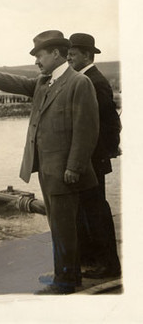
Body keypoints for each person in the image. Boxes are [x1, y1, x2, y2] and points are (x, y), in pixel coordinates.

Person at [0, 30, 100, 294]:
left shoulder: (79, 83)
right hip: (46, 168)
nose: (36, 61)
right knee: (57, 226)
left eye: (40, 55)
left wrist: (74, 167)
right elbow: (15, 82)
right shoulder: (43, 82)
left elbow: (87, 130)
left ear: (56, 54)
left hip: (64, 171)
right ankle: (66, 276)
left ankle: (66, 282)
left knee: (64, 228)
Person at [67, 33, 121, 278]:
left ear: (87, 55)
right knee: (87, 209)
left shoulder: (95, 81)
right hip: (88, 157)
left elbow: (110, 122)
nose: (68, 59)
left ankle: (109, 265)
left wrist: (107, 151)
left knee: (96, 209)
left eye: (73, 55)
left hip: (93, 158)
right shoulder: (84, 78)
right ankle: (91, 258)